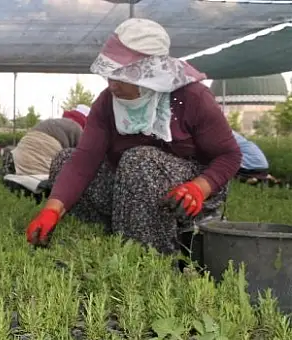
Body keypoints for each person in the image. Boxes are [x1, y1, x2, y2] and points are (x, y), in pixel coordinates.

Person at [26, 18, 241, 255]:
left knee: (138, 160)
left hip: (189, 194)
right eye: (110, 76)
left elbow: (229, 156)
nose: (112, 86)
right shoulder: (107, 102)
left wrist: (200, 187)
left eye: (121, 77)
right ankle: (107, 239)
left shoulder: (191, 97)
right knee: (65, 160)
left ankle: (152, 256)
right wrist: (52, 209)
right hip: (131, 185)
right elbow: (83, 160)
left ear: (148, 75)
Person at [2, 105, 90, 176]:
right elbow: (83, 155)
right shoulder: (77, 128)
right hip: (45, 151)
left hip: (24, 146)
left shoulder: (52, 122)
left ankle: (13, 163)